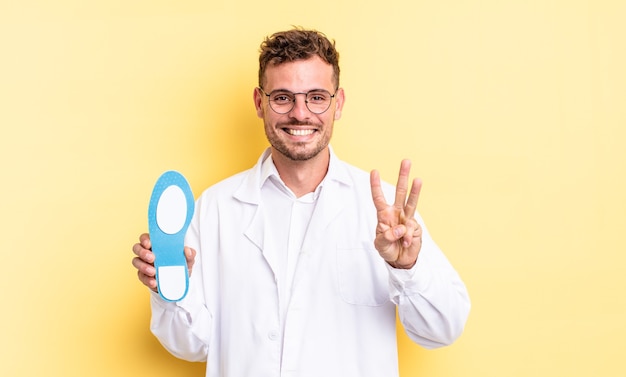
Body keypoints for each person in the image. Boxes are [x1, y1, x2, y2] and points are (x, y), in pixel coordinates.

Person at [132, 28, 470, 377]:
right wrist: (170, 292)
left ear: (337, 104)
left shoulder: (384, 212)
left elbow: (442, 331)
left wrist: (408, 268)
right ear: (259, 103)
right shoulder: (215, 208)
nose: (300, 113)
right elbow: (192, 346)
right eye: (282, 97)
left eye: (316, 97)